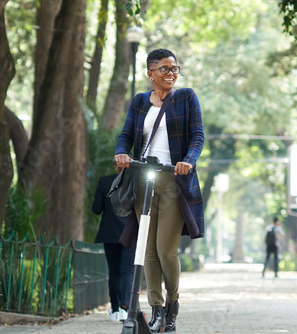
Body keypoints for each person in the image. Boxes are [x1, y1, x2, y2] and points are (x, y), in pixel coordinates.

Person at [114, 48, 205, 333]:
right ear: (150, 73)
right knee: (147, 249)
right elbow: (127, 136)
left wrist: (188, 162)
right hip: (143, 179)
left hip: (174, 180)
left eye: (175, 68)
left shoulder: (186, 97)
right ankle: (156, 310)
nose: (171, 74)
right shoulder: (140, 102)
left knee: (166, 250)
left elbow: (197, 135)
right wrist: (121, 153)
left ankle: (172, 306)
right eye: (165, 69)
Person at [91, 167, 136, 322]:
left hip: (109, 233)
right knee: (127, 271)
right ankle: (125, 307)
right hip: (130, 233)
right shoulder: (136, 183)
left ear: (116, 166)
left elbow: (96, 209)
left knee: (114, 272)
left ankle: (115, 309)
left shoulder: (104, 182)